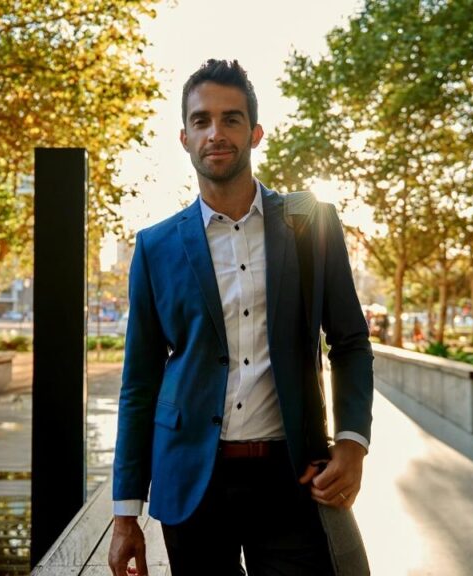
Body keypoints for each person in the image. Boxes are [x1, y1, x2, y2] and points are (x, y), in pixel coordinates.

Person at [108, 59, 374, 576]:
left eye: (231, 119)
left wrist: (352, 443)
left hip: (292, 476)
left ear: (255, 133)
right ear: (184, 137)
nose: (216, 133)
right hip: (191, 483)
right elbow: (138, 382)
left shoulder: (309, 224)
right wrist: (125, 514)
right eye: (202, 121)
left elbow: (350, 342)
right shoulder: (155, 246)